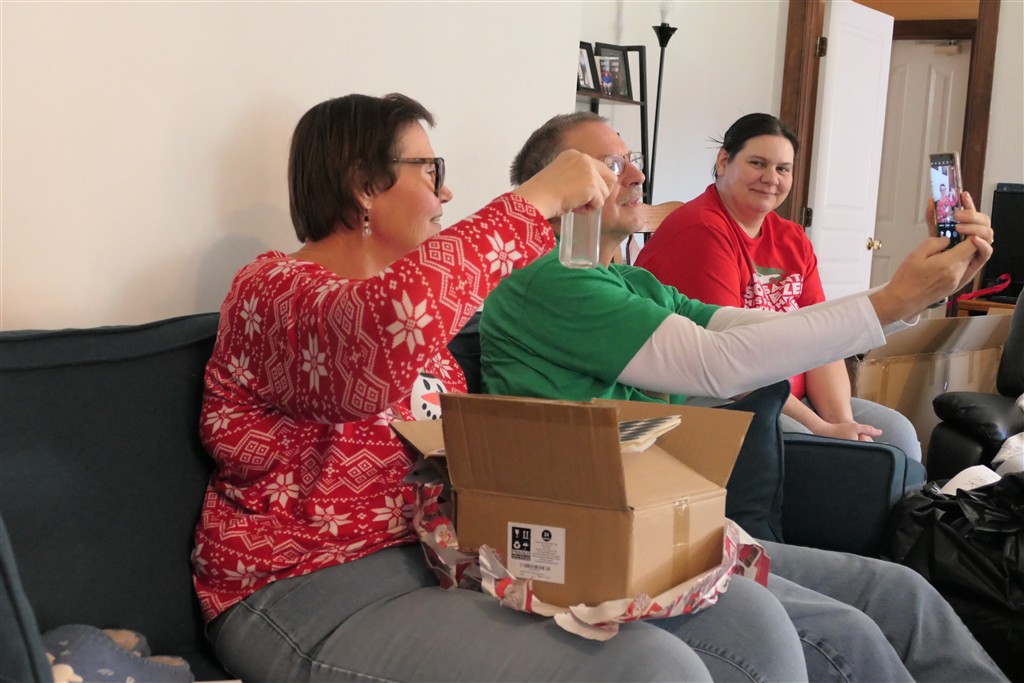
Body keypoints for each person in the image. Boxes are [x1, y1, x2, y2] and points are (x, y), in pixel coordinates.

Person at [193, 93, 820, 683]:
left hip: (444, 559)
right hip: (309, 586)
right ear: (363, 184)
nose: (446, 191)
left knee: (748, 624)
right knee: (651, 668)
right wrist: (533, 200)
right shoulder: (272, 291)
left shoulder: (420, 317)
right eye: (430, 170)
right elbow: (371, 354)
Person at [479, 111, 1007, 683]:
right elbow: (716, 365)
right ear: (557, 187)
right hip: (595, 541)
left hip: (664, 525)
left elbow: (745, 326)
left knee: (902, 593)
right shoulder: (546, 279)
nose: (636, 174)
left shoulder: (632, 281)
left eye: (632, 159)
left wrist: (909, 297)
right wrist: (896, 300)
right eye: (611, 164)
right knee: (848, 634)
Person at [634, 113, 923, 461]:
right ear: (724, 161)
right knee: (816, 453)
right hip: (721, 397)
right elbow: (730, 364)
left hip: (791, 400)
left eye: (783, 168)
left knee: (897, 436)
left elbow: (824, 341)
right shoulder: (701, 230)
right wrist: (821, 428)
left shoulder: (792, 238)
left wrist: (842, 424)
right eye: (758, 163)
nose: (771, 178)